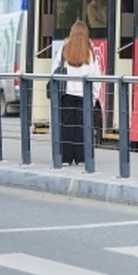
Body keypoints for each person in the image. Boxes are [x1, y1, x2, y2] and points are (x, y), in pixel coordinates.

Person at [54, 20, 103, 166]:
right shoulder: (90, 52)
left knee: (67, 127)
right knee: (83, 127)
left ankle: (65, 158)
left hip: (66, 95)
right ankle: (82, 158)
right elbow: (97, 77)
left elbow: (54, 71)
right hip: (84, 96)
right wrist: (93, 97)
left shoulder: (64, 49)